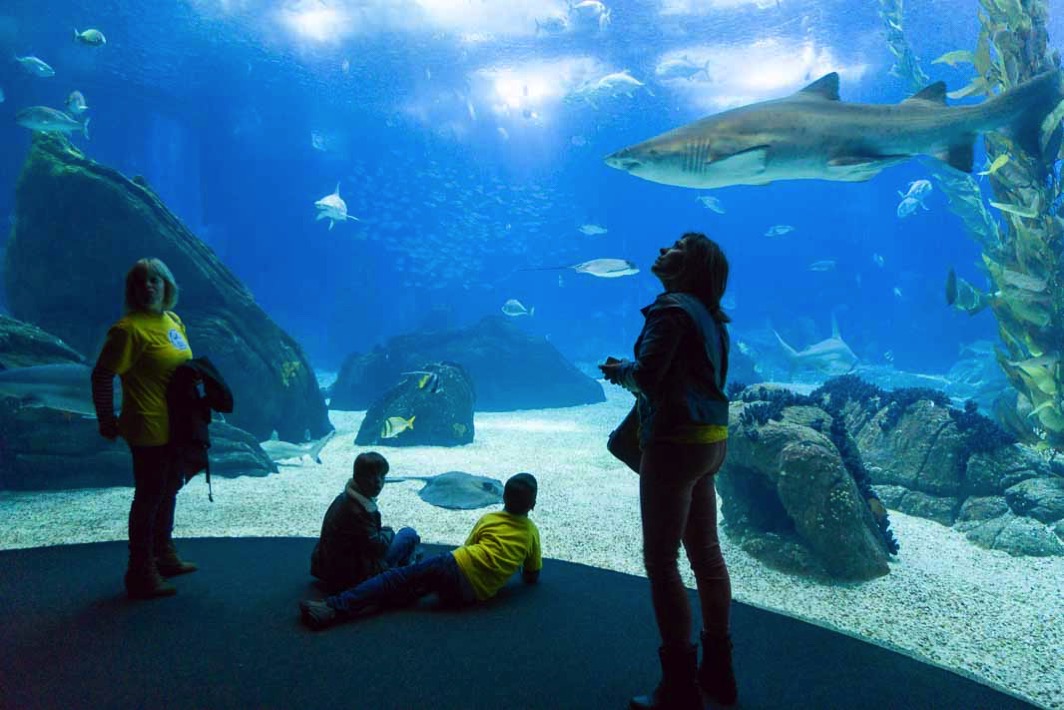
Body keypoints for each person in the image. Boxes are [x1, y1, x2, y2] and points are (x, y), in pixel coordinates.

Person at [599, 233, 737, 709]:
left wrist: (620, 370)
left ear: (691, 264)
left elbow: (650, 375)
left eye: (676, 245)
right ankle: (719, 673)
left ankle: (678, 688)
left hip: (675, 444)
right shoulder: (713, 319)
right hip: (711, 442)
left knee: (661, 563)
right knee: (707, 556)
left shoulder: (671, 309)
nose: (662, 248)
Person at [300, 472, 541, 630]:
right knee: (409, 586)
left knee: (396, 578)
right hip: (471, 596)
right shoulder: (531, 533)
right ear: (533, 503)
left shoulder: (489, 518)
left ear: (505, 498)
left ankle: (333, 607)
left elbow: (466, 548)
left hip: (455, 565)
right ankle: (400, 574)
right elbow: (531, 576)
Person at [91, 258, 197, 600]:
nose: (149, 286)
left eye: (155, 280)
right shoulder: (127, 330)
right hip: (147, 424)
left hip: (178, 426)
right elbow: (102, 375)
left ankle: (163, 554)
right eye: (141, 282)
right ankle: (139, 571)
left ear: (167, 285)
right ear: (132, 291)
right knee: (149, 497)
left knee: (170, 489)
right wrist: (107, 419)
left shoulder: (173, 321)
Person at [310, 451, 421, 593]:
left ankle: (403, 567)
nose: (378, 482)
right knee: (408, 534)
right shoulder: (359, 510)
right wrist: (388, 531)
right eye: (371, 476)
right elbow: (378, 548)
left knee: (405, 543)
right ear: (358, 477)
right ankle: (400, 576)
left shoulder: (343, 498)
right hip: (355, 575)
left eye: (382, 476)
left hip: (328, 568)